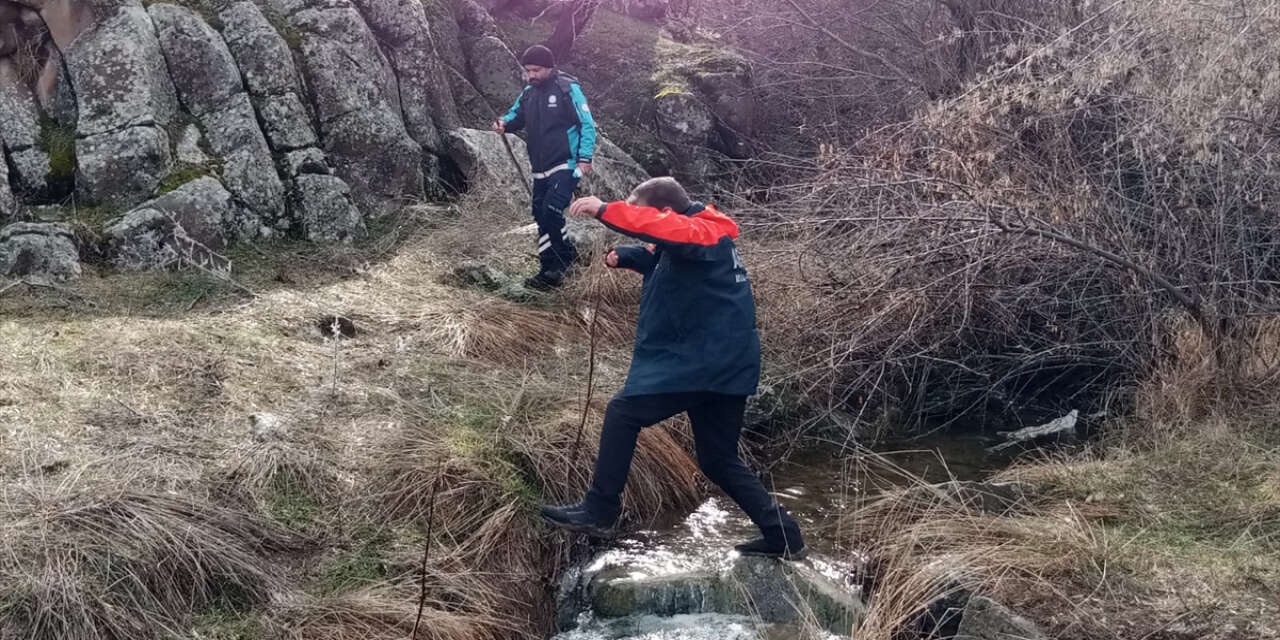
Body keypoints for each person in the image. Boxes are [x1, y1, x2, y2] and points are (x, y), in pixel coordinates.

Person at [540, 177, 807, 560]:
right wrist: (629, 257)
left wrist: (605, 210)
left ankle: (600, 510)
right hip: (724, 366)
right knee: (718, 460)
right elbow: (666, 252)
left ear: (665, 212)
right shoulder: (701, 235)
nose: (643, 223)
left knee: (622, 412)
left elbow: (672, 235)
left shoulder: (702, 232)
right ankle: (783, 534)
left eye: (644, 215)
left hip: (704, 364)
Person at [493, 44, 598, 291]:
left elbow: (587, 124)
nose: (531, 75)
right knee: (540, 215)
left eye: (536, 70)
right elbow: (515, 116)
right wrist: (502, 124)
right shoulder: (529, 92)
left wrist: (584, 159)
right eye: (527, 70)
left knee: (551, 210)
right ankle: (547, 269)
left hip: (566, 164)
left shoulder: (567, 88)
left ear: (549, 67)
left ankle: (564, 262)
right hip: (539, 167)